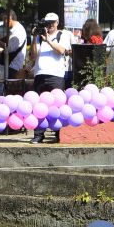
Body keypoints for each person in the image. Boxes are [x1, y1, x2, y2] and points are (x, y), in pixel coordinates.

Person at [29, 12, 71, 144]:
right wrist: (34, 38)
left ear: (57, 23)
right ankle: (38, 135)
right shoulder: (40, 36)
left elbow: (62, 50)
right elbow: (33, 55)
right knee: (38, 106)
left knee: (57, 105)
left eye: (52, 23)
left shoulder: (62, 35)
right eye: (48, 23)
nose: (50, 25)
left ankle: (58, 133)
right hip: (40, 74)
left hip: (56, 75)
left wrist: (48, 40)